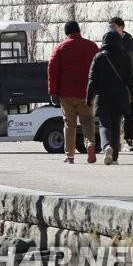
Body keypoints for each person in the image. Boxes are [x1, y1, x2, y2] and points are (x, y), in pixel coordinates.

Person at [47, 21, 100, 163]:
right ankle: (90, 144)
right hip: (86, 92)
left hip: (66, 93)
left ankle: (70, 155)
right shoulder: (92, 46)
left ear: (66, 32)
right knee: (88, 121)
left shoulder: (60, 47)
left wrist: (52, 91)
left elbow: (52, 70)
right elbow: (100, 66)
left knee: (69, 124)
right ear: (79, 30)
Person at [86, 31, 133, 165]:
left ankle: (106, 147)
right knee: (116, 126)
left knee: (104, 125)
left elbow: (92, 80)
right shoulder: (125, 57)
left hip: (102, 97)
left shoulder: (98, 57)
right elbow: (131, 81)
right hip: (119, 97)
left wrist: (88, 97)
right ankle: (114, 156)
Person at [110, 17, 133, 152]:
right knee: (113, 113)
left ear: (121, 27)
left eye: (113, 26)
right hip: (112, 83)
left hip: (129, 82)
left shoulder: (131, 43)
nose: (111, 29)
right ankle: (113, 142)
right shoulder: (107, 40)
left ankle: (128, 140)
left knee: (129, 112)